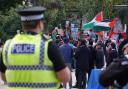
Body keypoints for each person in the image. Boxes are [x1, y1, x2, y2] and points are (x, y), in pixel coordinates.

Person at [0, 6, 71, 89]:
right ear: (40, 24)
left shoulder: (8, 46)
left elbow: (4, 77)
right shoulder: (47, 45)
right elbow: (65, 77)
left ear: (23, 25)